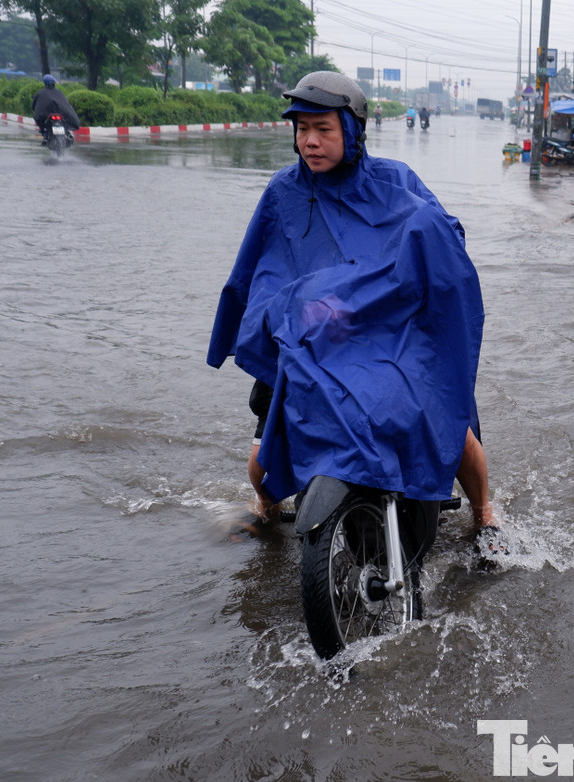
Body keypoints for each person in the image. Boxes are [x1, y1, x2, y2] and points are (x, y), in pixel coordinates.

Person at [206, 71, 500, 547]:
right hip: (307, 342)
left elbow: (445, 244)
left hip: (387, 337)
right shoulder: (284, 193)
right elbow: (258, 272)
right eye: (302, 129)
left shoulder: (397, 182)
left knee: (452, 425)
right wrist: (276, 316)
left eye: (323, 129)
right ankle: (266, 506)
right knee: (261, 467)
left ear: (352, 130)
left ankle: (486, 513)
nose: (310, 142)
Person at [31, 74, 81, 142]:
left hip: (46, 115)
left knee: (39, 121)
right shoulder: (59, 92)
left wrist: (34, 109)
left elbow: (34, 104)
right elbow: (66, 104)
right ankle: (67, 133)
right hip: (60, 113)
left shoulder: (41, 92)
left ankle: (45, 134)